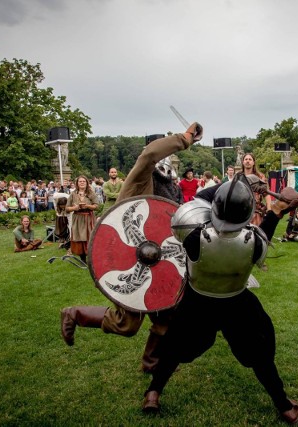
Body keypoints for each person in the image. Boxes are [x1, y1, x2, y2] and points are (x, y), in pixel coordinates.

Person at [141, 178, 298, 424]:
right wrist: (279, 208)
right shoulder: (256, 242)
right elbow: (267, 226)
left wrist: (235, 183)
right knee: (260, 355)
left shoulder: (192, 237)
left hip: (197, 303)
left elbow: (200, 199)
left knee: (174, 349)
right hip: (236, 303)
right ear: (247, 211)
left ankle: (153, 393)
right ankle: (284, 406)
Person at [60, 123, 202, 374]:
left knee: (166, 315)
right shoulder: (141, 177)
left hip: (159, 255)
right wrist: (185, 137)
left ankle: (151, 363)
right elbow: (149, 155)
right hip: (130, 249)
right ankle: (74, 314)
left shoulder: (171, 189)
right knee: (127, 324)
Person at [66, 175, 98, 263]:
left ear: (87, 183)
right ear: (77, 183)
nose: (82, 183)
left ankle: (91, 258)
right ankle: (82, 259)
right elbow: (67, 208)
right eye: (80, 181)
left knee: (90, 237)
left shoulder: (91, 193)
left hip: (88, 217)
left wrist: (87, 206)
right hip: (78, 218)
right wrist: (75, 208)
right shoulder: (73, 194)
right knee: (79, 237)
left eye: (84, 181)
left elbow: (96, 206)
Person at [242, 152, 271, 226]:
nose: (248, 161)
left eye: (250, 159)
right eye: (246, 159)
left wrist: (269, 209)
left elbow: (266, 194)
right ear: (243, 162)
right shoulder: (239, 177)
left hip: (256, 211)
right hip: (241, 211)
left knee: (256, 235)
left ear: (253, 162)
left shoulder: (260, 177)